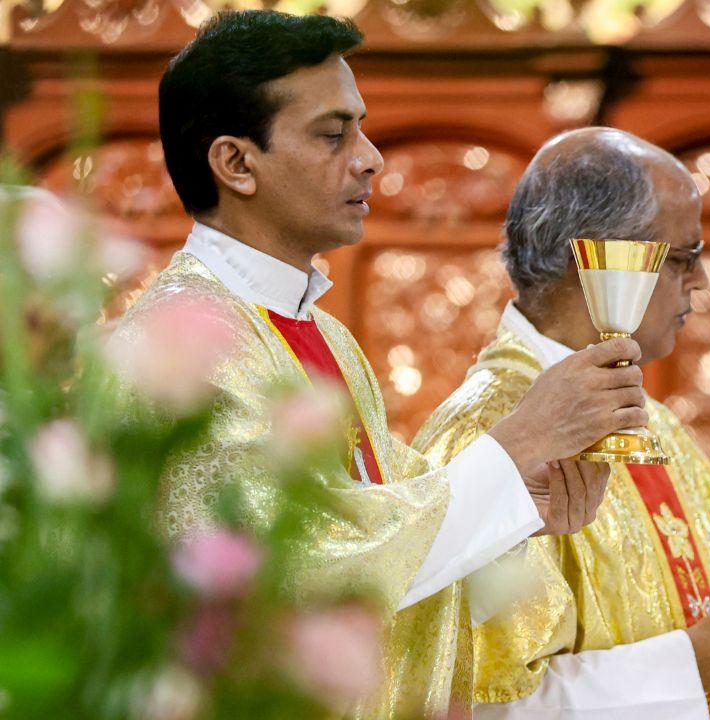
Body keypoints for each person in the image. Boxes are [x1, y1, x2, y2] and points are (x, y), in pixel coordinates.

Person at [111, 11, 645, 717]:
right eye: (333, 135)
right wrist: (517, 446)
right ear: (236, 163)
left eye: (360, 128)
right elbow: (296, 571)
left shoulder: (324, 336)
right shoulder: (176, 347)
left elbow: (389, 521)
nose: (371, 157)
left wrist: (525, 505)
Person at [413, 127, 710, 720]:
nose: (701, 283)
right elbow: (469, 701)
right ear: (607, 261)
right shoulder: (489, 436)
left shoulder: (651, 422)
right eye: (684, 258)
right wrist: (697, 669)